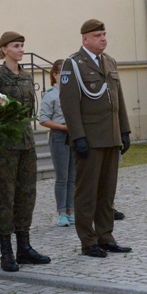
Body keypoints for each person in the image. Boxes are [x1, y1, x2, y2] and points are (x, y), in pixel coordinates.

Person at [60, 19, 133, 258]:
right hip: (90, 138)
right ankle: (88, 241)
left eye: (104, 34)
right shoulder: (73, 64)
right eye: (98, 35)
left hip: (110, 136)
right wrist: (78, 136)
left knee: (107, 192)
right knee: (87, 193)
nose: (103, 39)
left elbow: (118, 98)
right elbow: (70, 105)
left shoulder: (109, 62)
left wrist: (124, 130)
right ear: (85, 39)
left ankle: (106, 236)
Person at [0, 31, 51, 271]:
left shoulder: (26, 76)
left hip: (26, 143)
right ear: (4, 49)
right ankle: (6, 252)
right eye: (16, 46)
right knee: (5, 199)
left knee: (26, 196)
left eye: (22, 45)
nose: (21, 49)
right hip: (4, 146)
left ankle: (24, 247)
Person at [39, 59, 75, 227]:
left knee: (73, 177)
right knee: (62, 177)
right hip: (59, 136)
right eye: (62, 74)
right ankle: (61, 212)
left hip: (74, 137)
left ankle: (71, 210)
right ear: (55, 75)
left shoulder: (73, 93)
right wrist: (63, 127)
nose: (66, 77)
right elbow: (44, 119)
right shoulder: (51, 95)